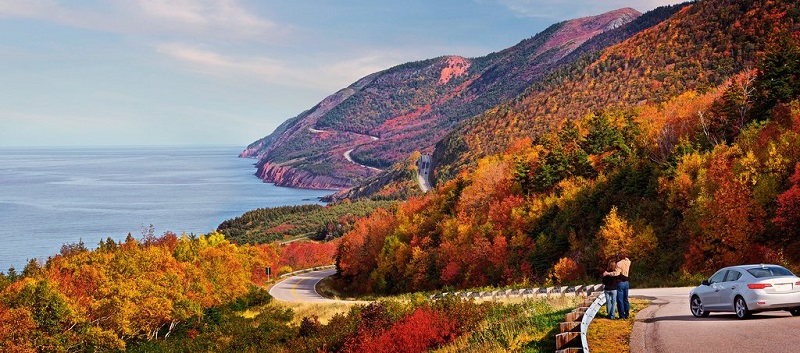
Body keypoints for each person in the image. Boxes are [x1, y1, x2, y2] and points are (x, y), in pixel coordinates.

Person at [604, 250, 631, 319]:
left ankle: (622, 315)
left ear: (619, 257)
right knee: (626, 299)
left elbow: (616, 273)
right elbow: (627, 258)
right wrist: (623, 255)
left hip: (621, 282)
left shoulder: (619, 264)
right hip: (627, 283)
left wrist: (608, 273)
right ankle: (627, 314)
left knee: (620, 300)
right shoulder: (628, 262)